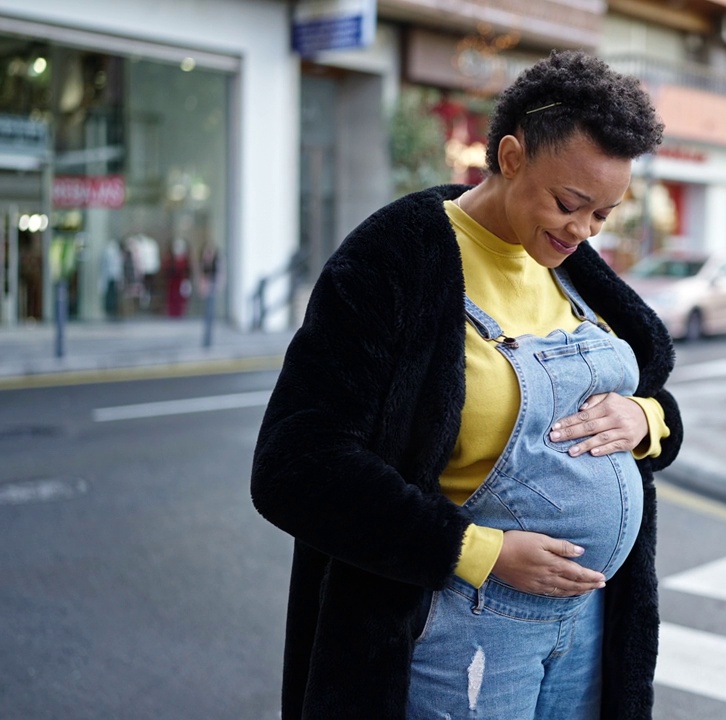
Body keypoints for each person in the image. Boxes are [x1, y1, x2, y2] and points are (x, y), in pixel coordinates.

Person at [250, 50, 681, 720]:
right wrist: (477, 551)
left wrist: (646, 420)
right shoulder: (393, 260)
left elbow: (657, 396)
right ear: (511, 156)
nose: (583, 231)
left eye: (603, 214)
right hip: (468, 628)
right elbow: (297, 466)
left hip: (590, 620)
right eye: (570, 204)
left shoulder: (570, 262)